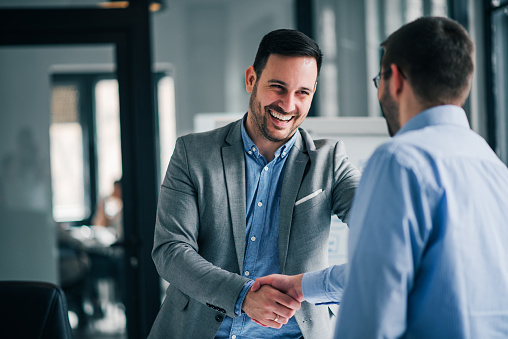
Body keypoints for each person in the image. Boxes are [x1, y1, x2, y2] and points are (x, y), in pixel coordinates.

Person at [252, 16, 508, 338]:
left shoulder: (400, 161)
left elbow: (372, 303)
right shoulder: (494, 167)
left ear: (396, 80)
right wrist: (302, 286)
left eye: (379, 80)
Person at [148, 29, 361, 338]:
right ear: (251, 79)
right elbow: (170, 250)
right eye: (278, 87)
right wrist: (242, 295)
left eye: (303, 93)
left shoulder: (329, 161)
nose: (288, 105)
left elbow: (385, 233)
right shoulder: (193, 154)